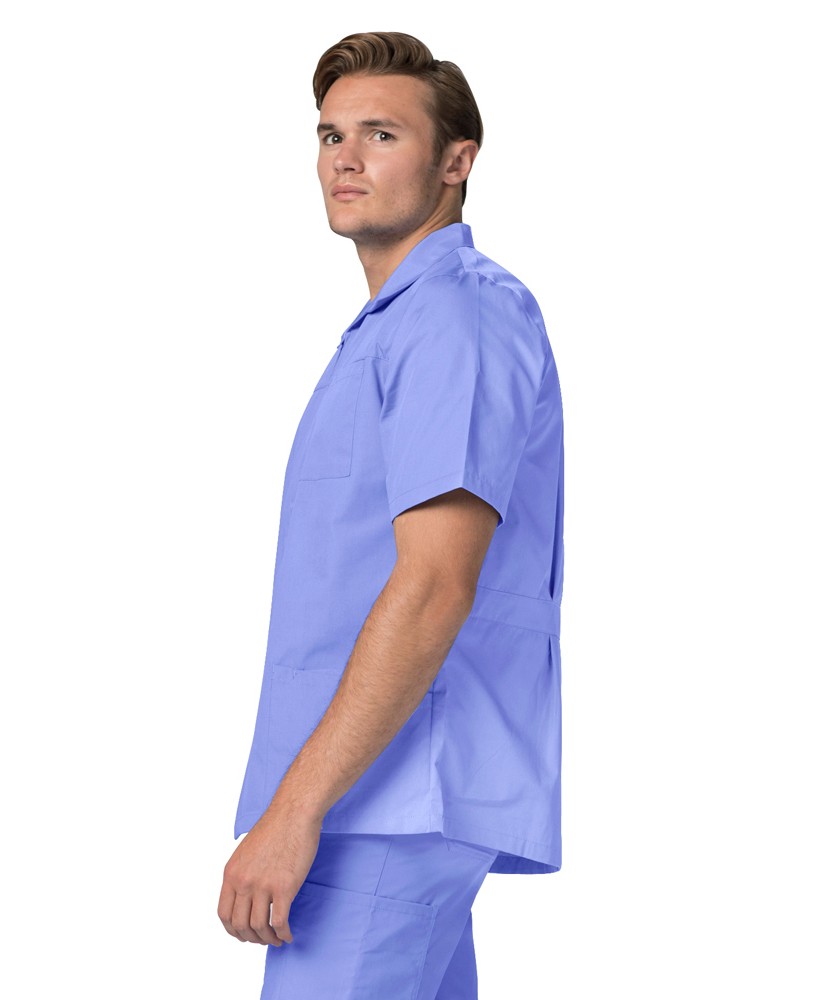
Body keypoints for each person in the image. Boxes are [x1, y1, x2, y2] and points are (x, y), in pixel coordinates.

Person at [218, 30, 565, 999]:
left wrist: (296, 807)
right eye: (331, 135)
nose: (346, 158)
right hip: (386, 798)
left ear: (456, 162)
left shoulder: (454, 316)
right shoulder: (406, 323)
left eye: (381, 134)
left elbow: (435, 582)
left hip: (390, 802)